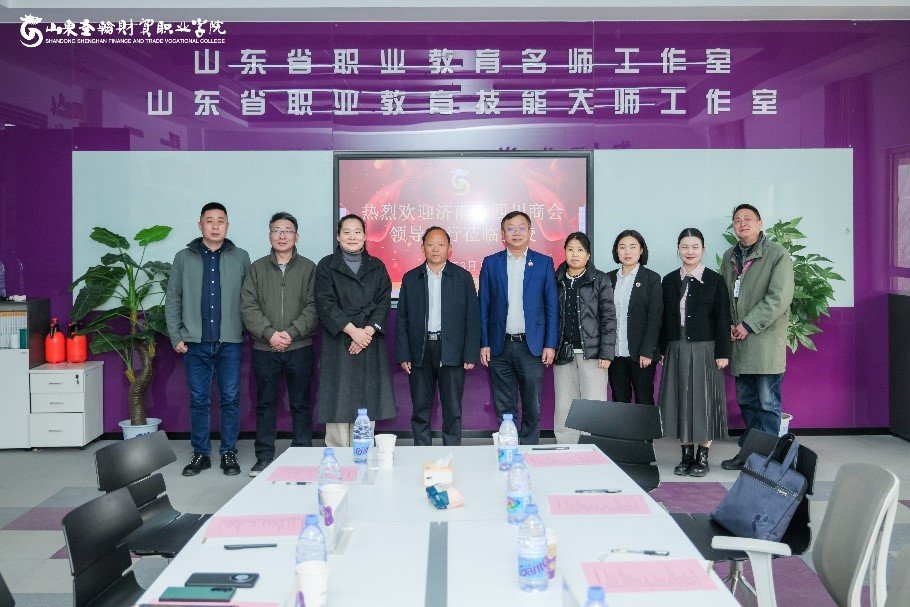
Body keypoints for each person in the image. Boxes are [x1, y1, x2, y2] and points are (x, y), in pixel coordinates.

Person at [165, 202, 251, 476]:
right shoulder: (183, 257)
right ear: (200, 224)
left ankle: (228, 452)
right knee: (199, 400)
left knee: (230, 398)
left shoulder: (240, 257)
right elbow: (173, 298)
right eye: (210, 221)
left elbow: (249, 299)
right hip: (194, 342)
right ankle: (200, 453)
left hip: (229, 342)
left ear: (228, 225)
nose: (215, 226)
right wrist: (176, 335)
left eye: (220, 221)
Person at [241, 212, 318, 476]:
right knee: (265, 404)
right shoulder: (257, 268)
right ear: (269, 235)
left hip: (300, 347)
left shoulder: (309, 268)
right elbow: (248, 306)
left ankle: (302, 453)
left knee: (301, 404)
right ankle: (264, 457)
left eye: (287, 231)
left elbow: (314, 306)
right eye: (277, 230)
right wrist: (269, 334)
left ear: (297, 236)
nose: (282, 236)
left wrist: (292, 333)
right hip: (265, 348)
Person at [719, 204, 795, 470]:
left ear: (760, 224)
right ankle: (750, 454)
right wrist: (729, 324)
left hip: (763, 341)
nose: (742, 223)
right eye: (737, 220)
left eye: (748, 219)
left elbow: (779, 298)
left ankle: (771, 460)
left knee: (767, 403)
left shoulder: (777, 254)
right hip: (739, 342)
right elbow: (724, 295)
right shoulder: (729, 256)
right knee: (747, 402)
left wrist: (748, 324)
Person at [315, 214, 396, 447]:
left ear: (365, 236)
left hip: (369, 341)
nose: (352, 236)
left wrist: (366, 333)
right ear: (338, 236)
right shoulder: (326, 265)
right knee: (338, 399)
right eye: (347, 232)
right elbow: (325, 303)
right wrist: (353, 332)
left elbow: (383, 301)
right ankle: (338, 455)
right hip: (339, 339)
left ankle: (364, 452)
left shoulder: (377, 266)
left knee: (367, 398)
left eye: (357, 232)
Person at [479, 211, 559, 445]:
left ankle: (529, 449)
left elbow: (552, 307)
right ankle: (509, 448)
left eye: (521, 228)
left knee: (532, 404)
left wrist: (550, 344)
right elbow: (483, 305)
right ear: (502, 234)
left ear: (530, 232)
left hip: (531, 346)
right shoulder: (491, 263)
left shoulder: (543, 263)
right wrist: (484, 342)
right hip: (499, 345)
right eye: (510, 228)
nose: (516, 233)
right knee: (504, 405)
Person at [395, 227, 481, 446]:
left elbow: (472, 317)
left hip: (452, 350)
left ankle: (452, 452)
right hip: (420, 351)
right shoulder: (411, 278)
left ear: (449, 248)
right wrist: (404, 354)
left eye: (441, 245)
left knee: (452, 409)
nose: (435, 249)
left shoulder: (462, 277)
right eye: (430, 244)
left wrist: (470, 353)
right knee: (420, 408)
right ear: (423, 247)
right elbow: (402, 319)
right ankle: (422, 452)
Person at [658, 228, 731, 477]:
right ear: (678, 249)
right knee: (681, 399)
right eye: (685, 247)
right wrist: (661, 350)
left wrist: (723, 352)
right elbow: (662, 319)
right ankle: (686, 455)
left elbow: (723, 319)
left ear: (703, 249)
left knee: (704, 401)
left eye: (695, 247)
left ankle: (703, 456)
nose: (690, 252)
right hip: (676, 347)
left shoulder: (715, 280)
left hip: (705, 349)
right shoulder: (669, 280)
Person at [552, 232, 616, 444]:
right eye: (570, 249)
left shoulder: (600, 279)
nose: (575, 254)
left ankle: (593, 445)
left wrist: (607, 353)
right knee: (564, 403)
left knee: (593, 403)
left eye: (580, 250)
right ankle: (566, 445)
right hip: (563, 352)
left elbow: (608, 317)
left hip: (593, 353)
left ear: (588, 255)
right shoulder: (557, 279)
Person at [606, 230, 663, 405]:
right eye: (622, 247)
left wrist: (647, 351)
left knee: (644, 399)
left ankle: (647, 427)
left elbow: (655, 317)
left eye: (632, 247)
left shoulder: (651, 278)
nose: (627, 252)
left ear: (641, 250)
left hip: (641, 354)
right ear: (616, 251)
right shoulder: (608, 279)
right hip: (615, 353)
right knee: (619, 400)